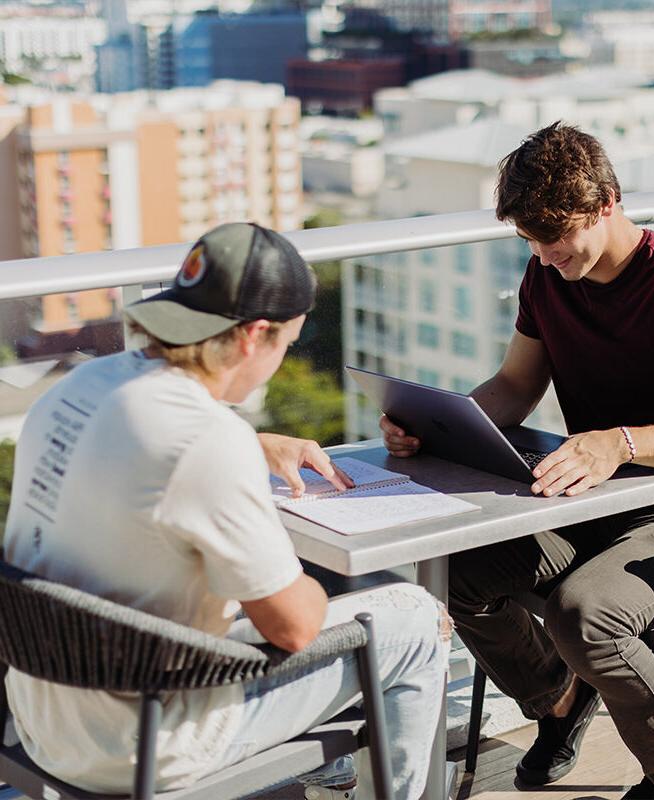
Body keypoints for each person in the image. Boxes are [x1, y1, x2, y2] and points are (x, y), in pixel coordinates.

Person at [380, 122, 654, 799]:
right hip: (594, 502)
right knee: (454, 573)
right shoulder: (546, 276)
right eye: (531, 241)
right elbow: (514, 388)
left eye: (558, 238)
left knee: (585, 616)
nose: (547, 256)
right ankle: (558, 699)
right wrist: (434, 425)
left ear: (608, 201)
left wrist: (620, 442)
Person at [4, 222, 450, 799]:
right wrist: (310, 579)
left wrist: (250, 446)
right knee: (412, 619)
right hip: (148, 740)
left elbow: (147, 457)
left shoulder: (80, 386)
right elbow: (293, 628)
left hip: (43, 719)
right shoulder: (208, 442)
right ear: (254, 337)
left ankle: (331, 773)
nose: (283, 355)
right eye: (287, 342)